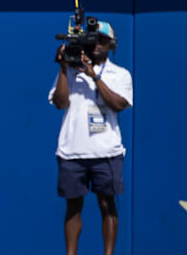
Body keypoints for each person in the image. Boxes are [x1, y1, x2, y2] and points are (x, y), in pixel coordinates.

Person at [49, 20, 133, 255]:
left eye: (103, 41)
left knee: (107, 205)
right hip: (72, 150)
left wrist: (94, 76)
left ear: (112, 45)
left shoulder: (120, 74)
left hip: (106, 152)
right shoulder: (71, 71)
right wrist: (64, 68)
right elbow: (60, 102)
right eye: (93, 39)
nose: (97, 44)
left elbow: (118, 104)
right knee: (73, 208)